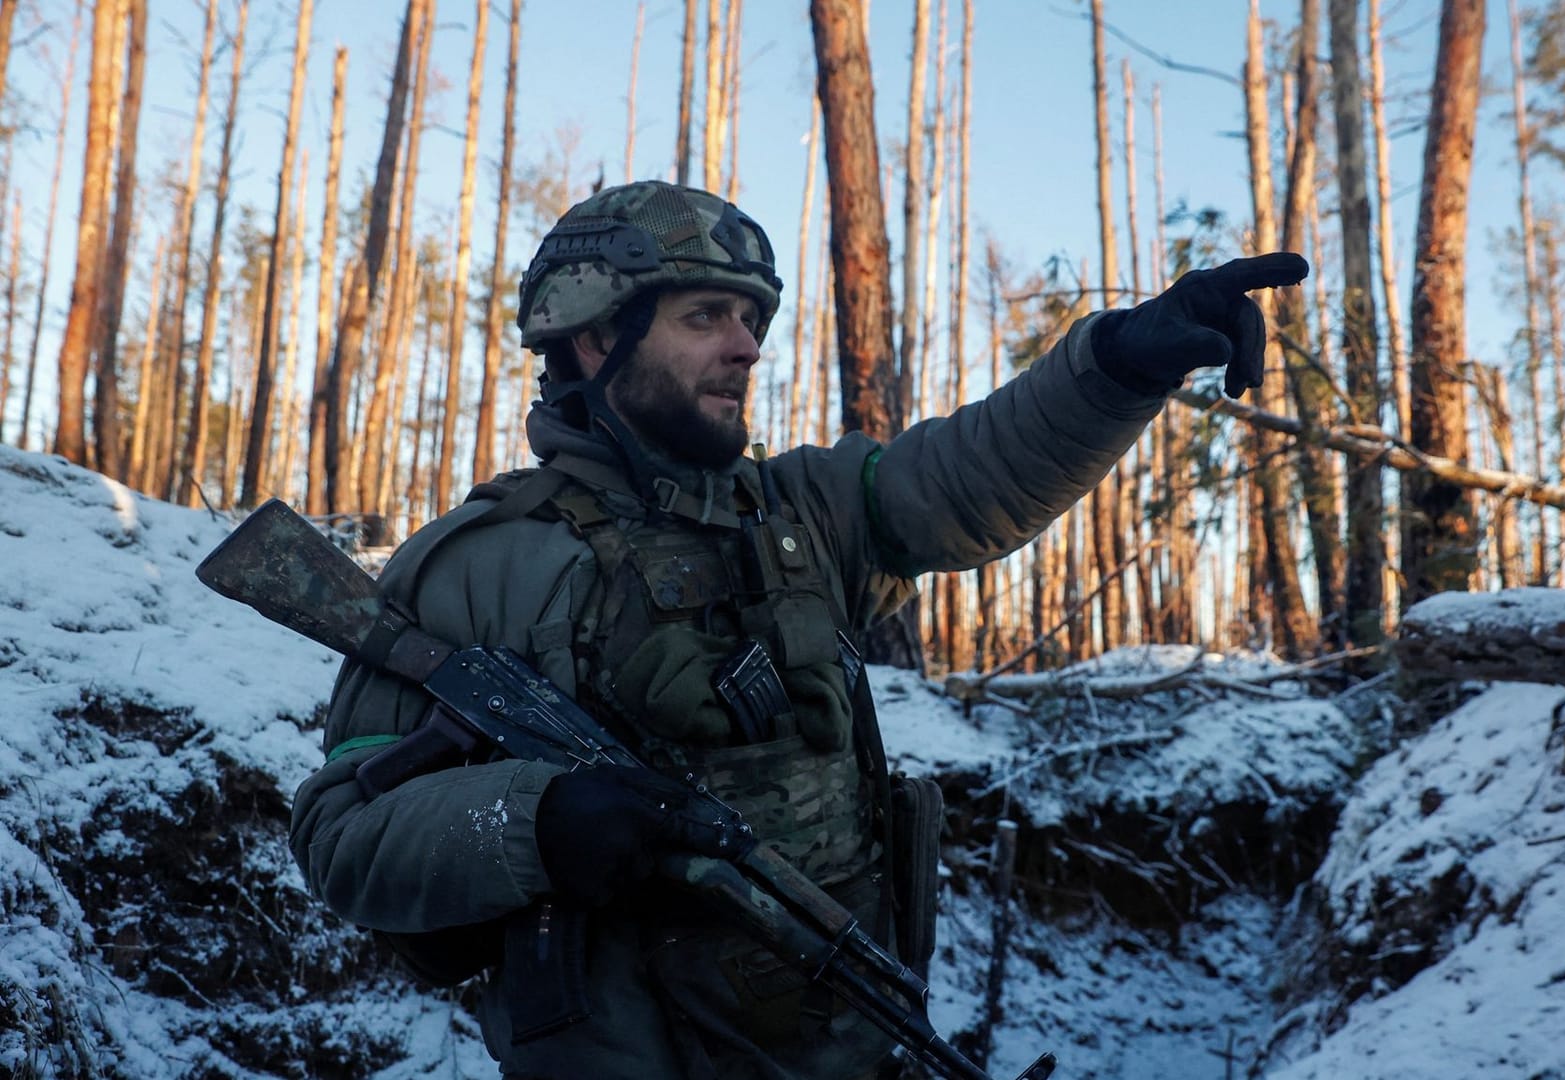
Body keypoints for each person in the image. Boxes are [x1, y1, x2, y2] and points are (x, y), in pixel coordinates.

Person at [288, 180, 1307, 1079]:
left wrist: (1118, 368)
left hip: (850, 1039)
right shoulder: (478, 564)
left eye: (751, 318)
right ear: (594, 338)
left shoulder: (802, 513)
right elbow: (345, 837)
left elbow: (963, 477)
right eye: (705, 316)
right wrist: (537, 821)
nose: (746, 346)